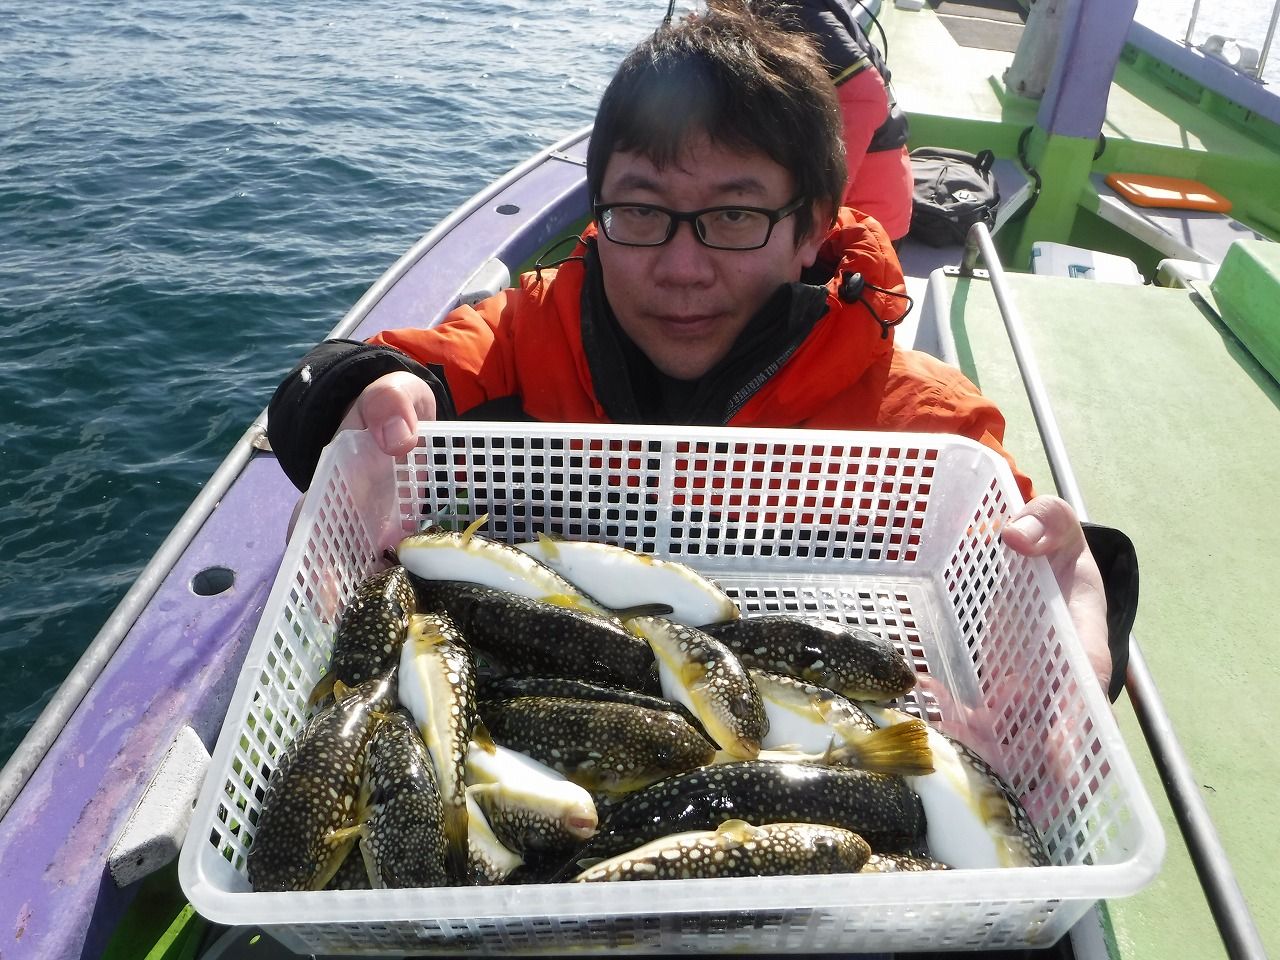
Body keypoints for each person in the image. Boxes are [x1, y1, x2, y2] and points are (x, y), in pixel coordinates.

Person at [267, 0, 1131, 700]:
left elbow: (1027, 565)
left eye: (735, 215)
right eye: (641, 211)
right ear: (599, 213)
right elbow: (353, 377)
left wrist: (1080, 591)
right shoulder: (529, 338)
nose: (682, 269)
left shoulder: (922, 428)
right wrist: (359, 395)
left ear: (811, 229)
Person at [774, 0, 915, 243]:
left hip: (861, 218)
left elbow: (866, 95)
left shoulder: (790, 8)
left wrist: (819, 216)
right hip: (870, 200)